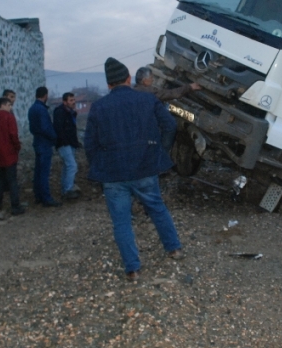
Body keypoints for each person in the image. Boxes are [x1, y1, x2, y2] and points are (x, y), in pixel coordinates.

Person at [85, 58, 184, 281]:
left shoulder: (99, 107)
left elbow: (89, 144)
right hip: (145, 166)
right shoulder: (147, 99)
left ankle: (133, 270)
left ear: (109, 84)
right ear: (129, 79)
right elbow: (170, 125)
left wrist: (100, 165)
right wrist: (159, 151)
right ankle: (174, 249)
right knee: (157, 208)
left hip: (113, 173)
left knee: (121, 221)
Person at [28, 86, 60, 207]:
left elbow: (33, 128)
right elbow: (45, 127)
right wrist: (54, 137)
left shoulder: (32, 108)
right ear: (45, 95)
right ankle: (46, 198)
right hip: (44, 144)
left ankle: (38, 196)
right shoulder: (41, 110)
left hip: (37, 142)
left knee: (38, 171)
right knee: (44, 172)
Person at [53, 92, 81, 200]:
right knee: (72, 166)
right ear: (65, 102)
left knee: (67, 166)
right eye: (71, 100)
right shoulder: (60, 112)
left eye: (74, 100)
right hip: (64, 144)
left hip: (70, 143)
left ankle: (65, 190)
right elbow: (59, 129)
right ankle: (68, 189)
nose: (73, 102)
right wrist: (64, 142)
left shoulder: (70, 112)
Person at [134, 66, 200, 101]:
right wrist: (189, 87)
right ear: (144, 80)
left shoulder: (133, 90)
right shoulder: (149, 92)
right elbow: (170, 94)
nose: (153, 80)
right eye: (151, 78)